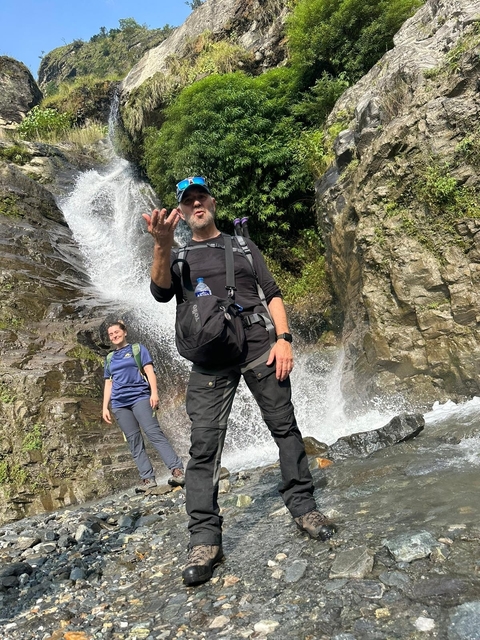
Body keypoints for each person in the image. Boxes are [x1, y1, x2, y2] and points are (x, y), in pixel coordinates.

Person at [142, 176, 337, 586]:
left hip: (260, 347)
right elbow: (160, 293)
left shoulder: (242, 246)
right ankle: (205, 540)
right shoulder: (177, 257)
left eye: (201, 197)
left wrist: (284, 339)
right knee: (203, 446)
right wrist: (161, 243)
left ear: (212, 202)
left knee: (285, 428)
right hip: (210, 359)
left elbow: (273, 293)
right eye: (188, 201)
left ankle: (304, 508)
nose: (196, 204)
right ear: (180, 211)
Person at [102, 321, 185, 491]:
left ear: (124, 332)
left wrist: (154, 393)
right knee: (134, 441)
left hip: (140, 397)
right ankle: (147, 479)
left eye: (116, 332)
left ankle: (177, 470)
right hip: (119, 404)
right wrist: (105, 407)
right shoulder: (110, 358)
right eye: (111, 334)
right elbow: (108, 384)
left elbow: (149, 372)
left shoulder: (137, 349)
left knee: (154, 433)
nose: (114, 336)